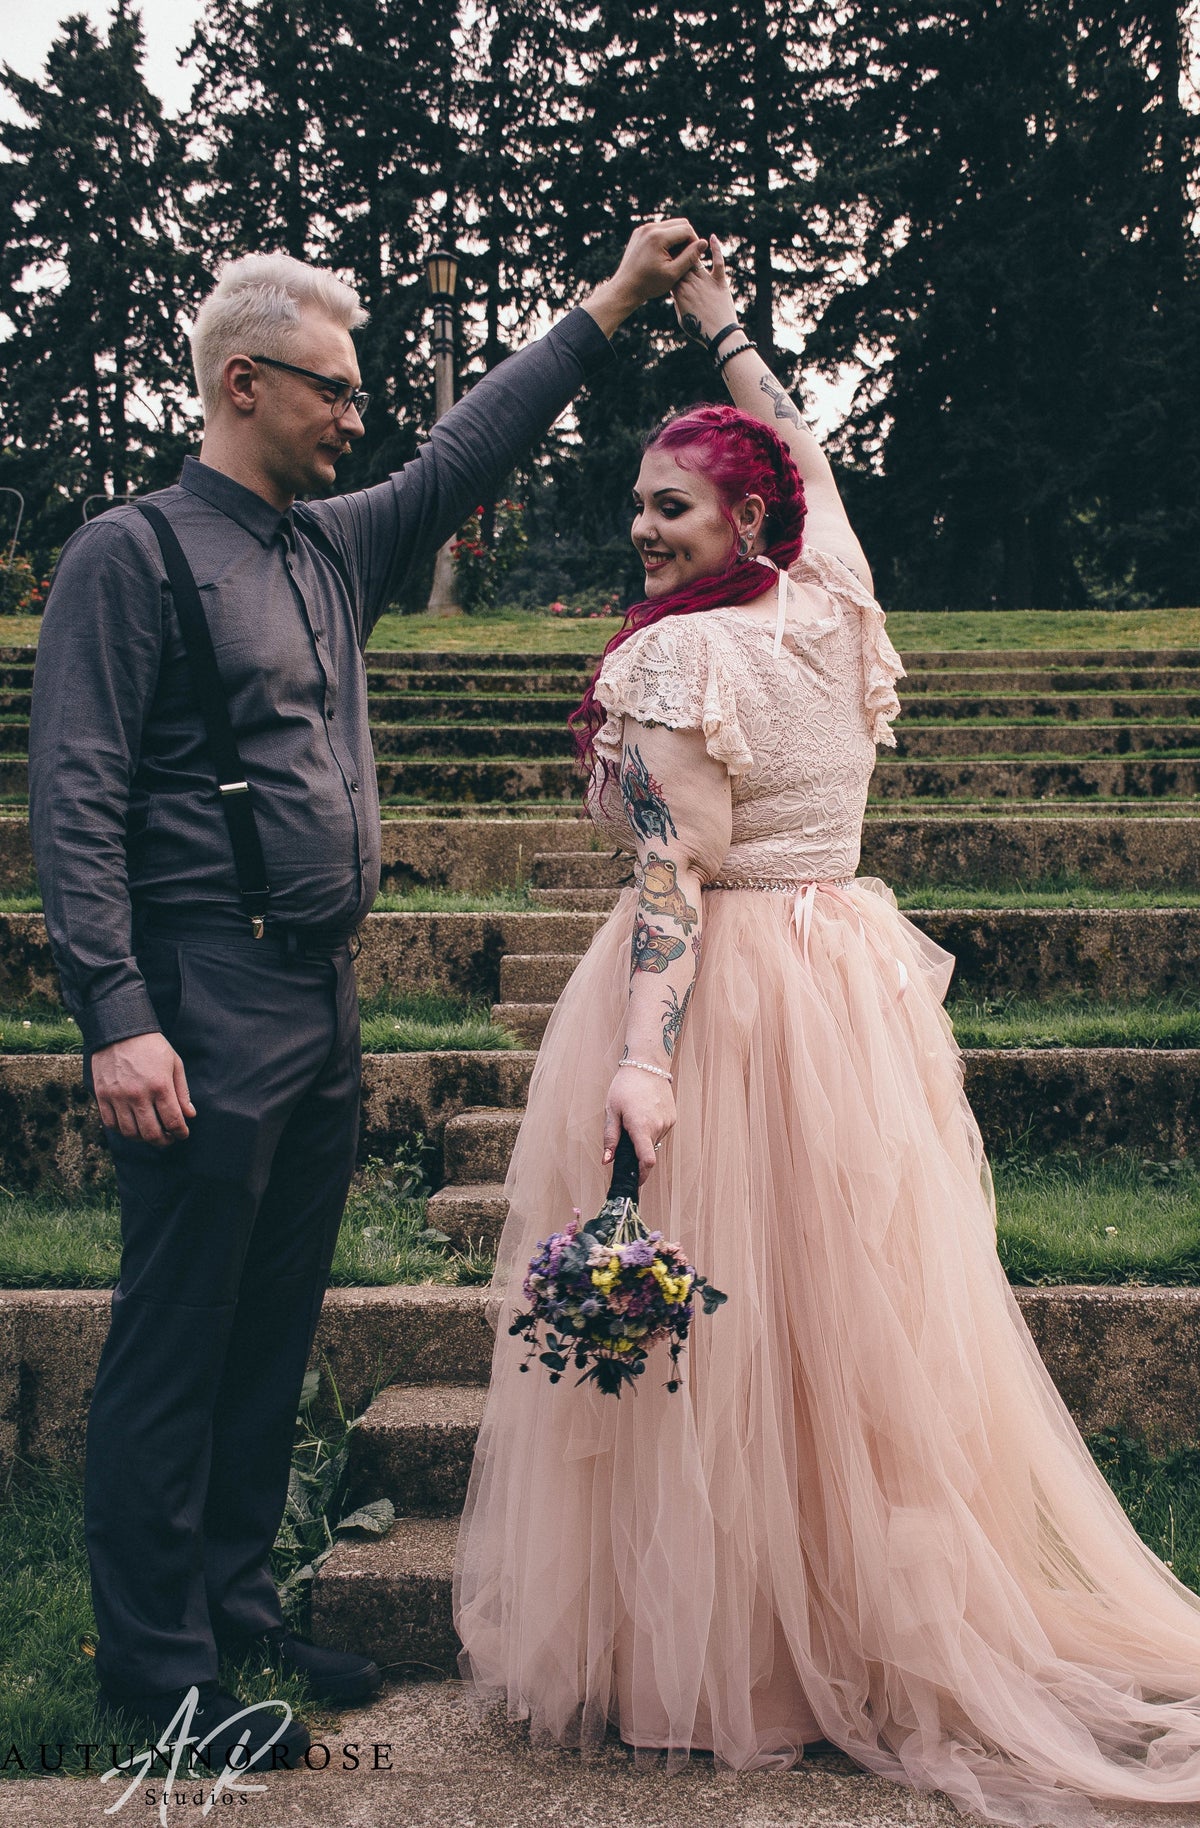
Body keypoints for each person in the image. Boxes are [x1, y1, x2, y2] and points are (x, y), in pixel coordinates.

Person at [453, 237, 1200, 1826]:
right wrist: (718, 320)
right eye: (640, 505)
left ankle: (737, 1660)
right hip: (846, 971)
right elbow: (802, 450)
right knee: (839, 1322)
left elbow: (669, 886)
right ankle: (854, 1625)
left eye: (671, 507)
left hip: (723, 987)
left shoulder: (678, 656)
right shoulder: (839, 604)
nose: (640, 531)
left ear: (739, 520)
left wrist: (641, 1061)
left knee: (731, 1328)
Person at [28, 221, 705, 1764]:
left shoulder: (333, 547)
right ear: (245, 384)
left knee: (268, 1324)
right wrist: (116, 1012)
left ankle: (239, 1611)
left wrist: (615, 301)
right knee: (174, 1332)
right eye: (334, 392)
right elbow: (72, 798)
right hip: (197, 991)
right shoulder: (128, 556)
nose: (359, 417)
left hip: (319, 995)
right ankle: (154, 1673)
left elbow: (474, 447)